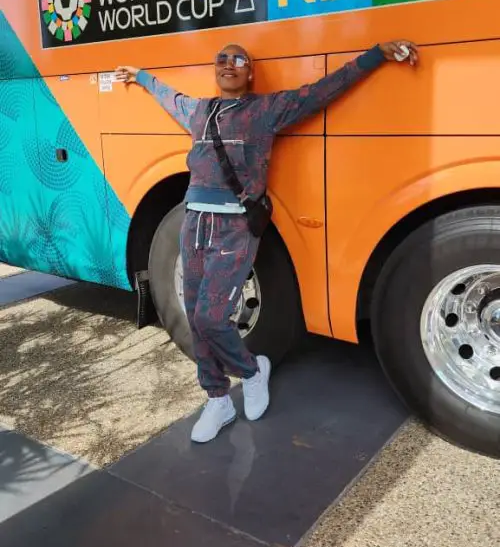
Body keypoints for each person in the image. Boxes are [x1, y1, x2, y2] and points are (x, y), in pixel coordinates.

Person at [116, 39, 418, 443]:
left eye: (238, 60)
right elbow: (167, 96)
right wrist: (140, 76)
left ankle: (252, 371)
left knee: (210, 318)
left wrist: (376, 55)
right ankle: (217, 399)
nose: (229, 64)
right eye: (222, 59)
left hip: (234, 226)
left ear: (250, 72)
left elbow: (324, 90)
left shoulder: (266, 110)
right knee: (194, 316)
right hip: (194, 223)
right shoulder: (199, 110)